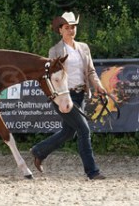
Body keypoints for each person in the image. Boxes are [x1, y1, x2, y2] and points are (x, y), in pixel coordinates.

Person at [30, 11, 107, 180]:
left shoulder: (83, 48)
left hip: (80, 94)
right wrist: (57, 97)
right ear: (60, 30)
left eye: (73, 27)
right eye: (67, 27)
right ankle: (92, 172)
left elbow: (91, 71)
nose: (71, 30)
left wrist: (99, 86)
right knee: (83, 130)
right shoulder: (54, 51)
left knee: (68, 132)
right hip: (64, 96)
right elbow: (52, 76)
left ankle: (39, 151)